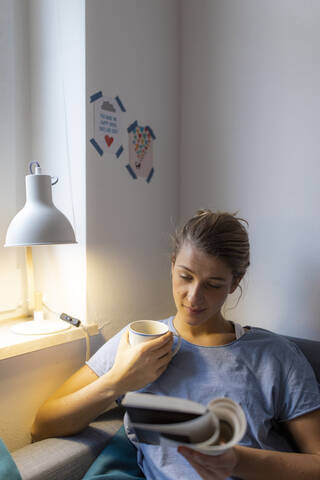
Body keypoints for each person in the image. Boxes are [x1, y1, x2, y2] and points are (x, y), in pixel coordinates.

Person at [32, 210, 320, 480]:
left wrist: (236, 460)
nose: (193, 297)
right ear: (172, 266)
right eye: (185, 277)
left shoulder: (274, 356)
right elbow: (43, 425)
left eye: (213, 284)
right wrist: (118, 381)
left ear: (235, 283)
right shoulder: (136, 344)